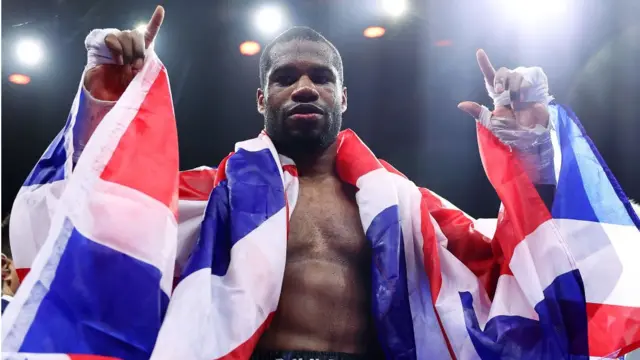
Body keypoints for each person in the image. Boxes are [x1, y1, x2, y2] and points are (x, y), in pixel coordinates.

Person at [4, 6, 640, 360]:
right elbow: (93, 226)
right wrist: (103, 113)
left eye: (319, 77)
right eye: (286, 77)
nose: (303, 86)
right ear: (262, 98)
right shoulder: (209, 193)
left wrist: (532, 152)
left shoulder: (405, 204)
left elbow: (516, 264)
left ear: (343, 96)